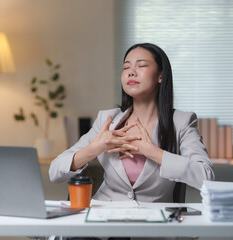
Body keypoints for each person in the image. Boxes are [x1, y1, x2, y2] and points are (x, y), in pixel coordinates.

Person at [49, 43, 215, 202]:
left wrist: (152, 152)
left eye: (141, 66)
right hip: (104, 223)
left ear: (161, 75)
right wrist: (95, 148)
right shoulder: (107, 120)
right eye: (126, 67)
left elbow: (206, 176)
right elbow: (55, 172)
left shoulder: (181, 122)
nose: (131, 72)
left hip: (154, 225)